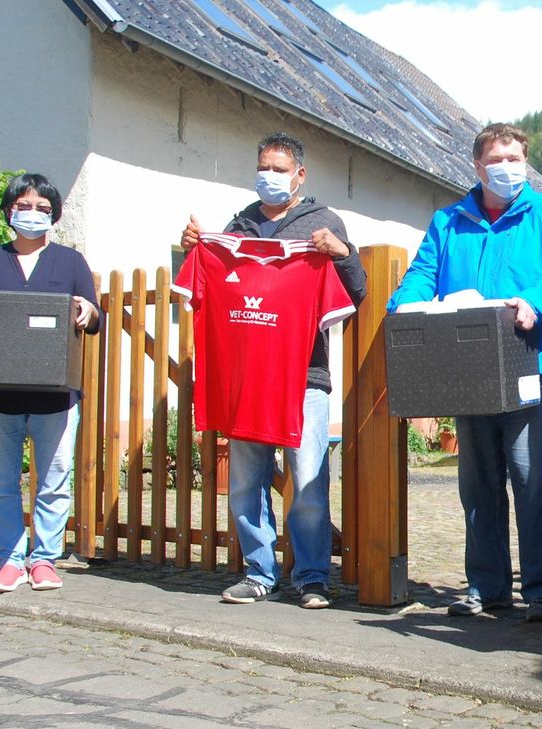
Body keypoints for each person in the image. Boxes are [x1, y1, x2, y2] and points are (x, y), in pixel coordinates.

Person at [387, 123, 542, 622]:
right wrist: (406, 309)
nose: (508, 168)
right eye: (498, 159)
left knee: (530, 480)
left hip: (529, 367)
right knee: (477, 486)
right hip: (469, 371)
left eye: (516, 159)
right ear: (477, 166)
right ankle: (487, 588)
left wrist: (535, 301)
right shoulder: (449, 221)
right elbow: (421, 276)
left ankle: (541, 591)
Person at [180, 132, 366, 609]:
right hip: (247, 378)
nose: (270, 176)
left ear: (300, 175)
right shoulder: (239, 226)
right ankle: (259, 572)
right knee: (245, 481)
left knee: (307, 480)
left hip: (307, 376)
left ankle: (312, 577)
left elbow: (357, 292)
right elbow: (208, 286)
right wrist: (192, 251)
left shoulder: (322, 222)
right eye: (263, 166)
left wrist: (341, 253)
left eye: (279, 168)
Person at [0, 173, 102, 593]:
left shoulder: (70, 262)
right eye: (24, 206)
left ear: (54, 216)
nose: (33, 214)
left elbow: (96, 319)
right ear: (9, 210)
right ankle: (9, 560)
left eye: (43, 208)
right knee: (2, 483)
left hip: (56, 399)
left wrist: (86, 309)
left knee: (53, 483)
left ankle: (44, 560)